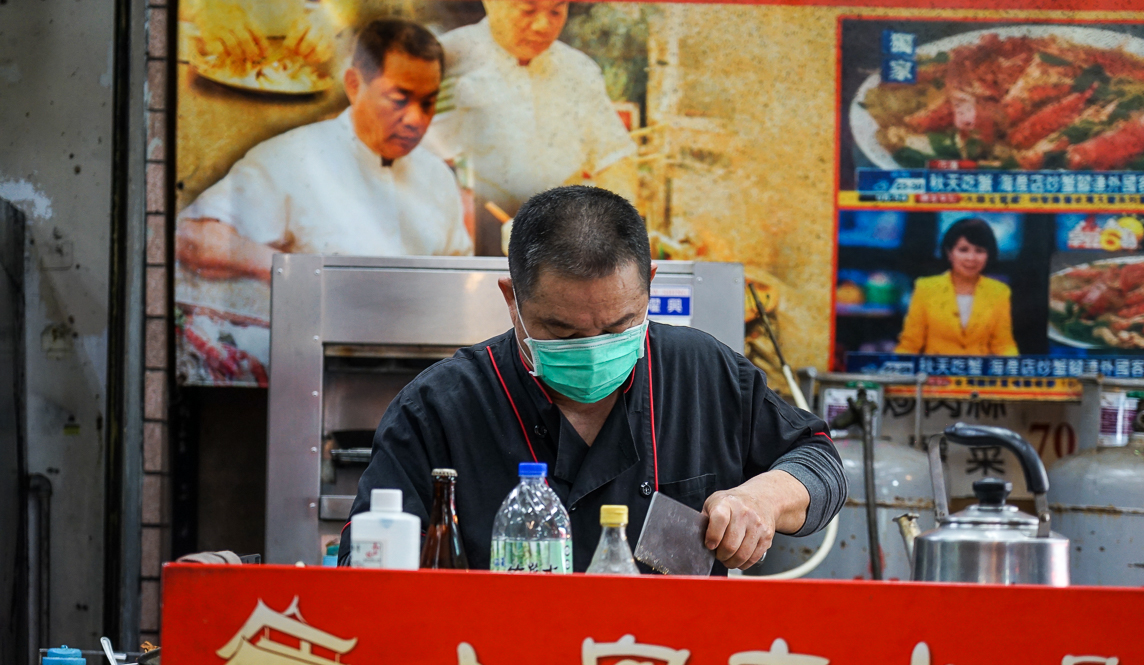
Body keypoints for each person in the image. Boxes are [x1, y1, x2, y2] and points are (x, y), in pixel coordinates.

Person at [339, 186, 846, 573]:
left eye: (618, 326)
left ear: (649, 286)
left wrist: (762, 498)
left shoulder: (701, 371)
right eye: (562, 331)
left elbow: (819, 461)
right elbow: (364, 570)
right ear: (511, 299)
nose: (592, 348)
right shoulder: (439, 407)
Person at [176, 19, 472, 282]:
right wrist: (290, 273)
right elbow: (194, 236)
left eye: (427, 103)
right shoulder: (295, 156)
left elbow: (459, 276)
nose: (415, 120)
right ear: (355, 85)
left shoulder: (437, 177)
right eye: (398, 99)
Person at [424, 0, 639, 256]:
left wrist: (606, 230)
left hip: (559, 233)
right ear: (492, 1)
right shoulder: (448, 56)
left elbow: (613, 159)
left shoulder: (578, 70)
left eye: (556, 11)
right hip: (466, 226)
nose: (542, 25)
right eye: (527, 10)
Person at [895, 217, 1019, 356]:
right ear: (949, 253)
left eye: (979, 251)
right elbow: (910, 344)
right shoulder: (926, 288)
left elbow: (1003, 344)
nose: (971, 258)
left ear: (988, 255)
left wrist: (1016, 371)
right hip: (936, 375)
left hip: (977, 374)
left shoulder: (999, 291)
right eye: (963, 250)